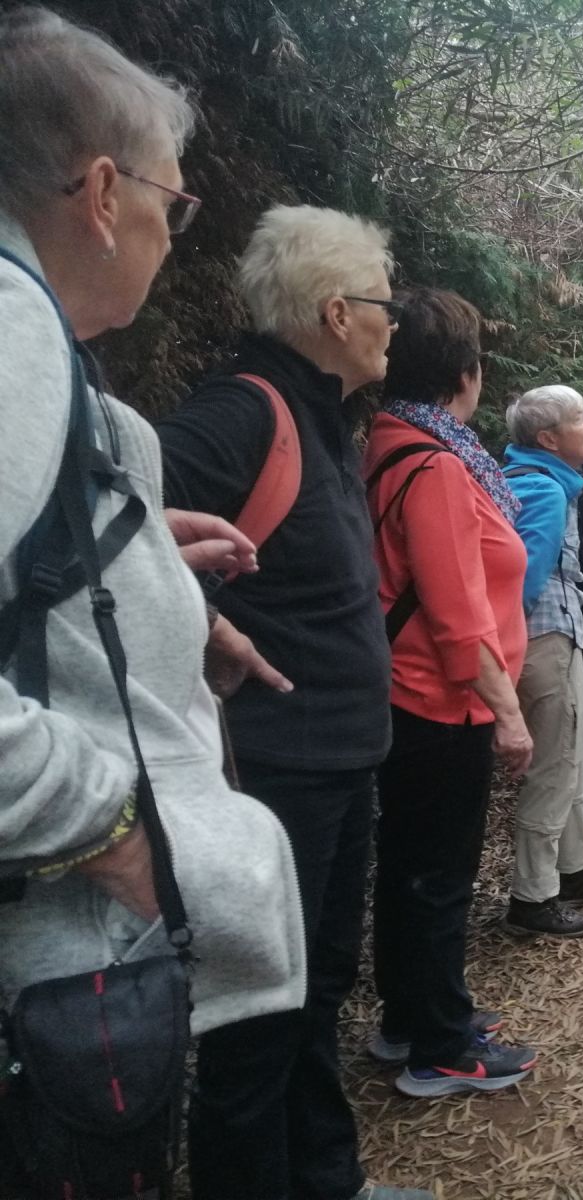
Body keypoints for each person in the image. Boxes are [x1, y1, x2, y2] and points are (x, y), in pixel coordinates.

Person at [0, 9, 307, 1192]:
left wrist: (128, 561)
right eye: (173, 206)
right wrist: (106, 825)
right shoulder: (15, 329)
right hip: (59, 978)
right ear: (96, 190)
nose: (177, 235)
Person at [158, 205, 426, 1200]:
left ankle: (327, 1180)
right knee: (260, 1017)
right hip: (273, 772)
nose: (394, 323)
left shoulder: (317, 417)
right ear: (335, 311)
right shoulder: (243, 413)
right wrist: (197, 620)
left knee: (315, 990)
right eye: (383, 305)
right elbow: (108, 532)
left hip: (333, 762)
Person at [361, 288, 538, 1097]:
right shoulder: (433, 464)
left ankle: (413, 1017)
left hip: (418, 696)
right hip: (441, 701)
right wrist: (508, 717)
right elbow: (456, 612)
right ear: (466, 373)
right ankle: (440, 1047)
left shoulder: (394, 439)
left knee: (409, 867)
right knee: (438, 877)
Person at [501, 385, 583, 938]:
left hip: (563, 635)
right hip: (543, 641)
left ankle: (576, 868)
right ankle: (532, 897)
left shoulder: (549, 484)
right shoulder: (545, 492)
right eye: (581, 419)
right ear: (548, 439)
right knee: (555, 766)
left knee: (575, 756)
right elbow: (521, 583)